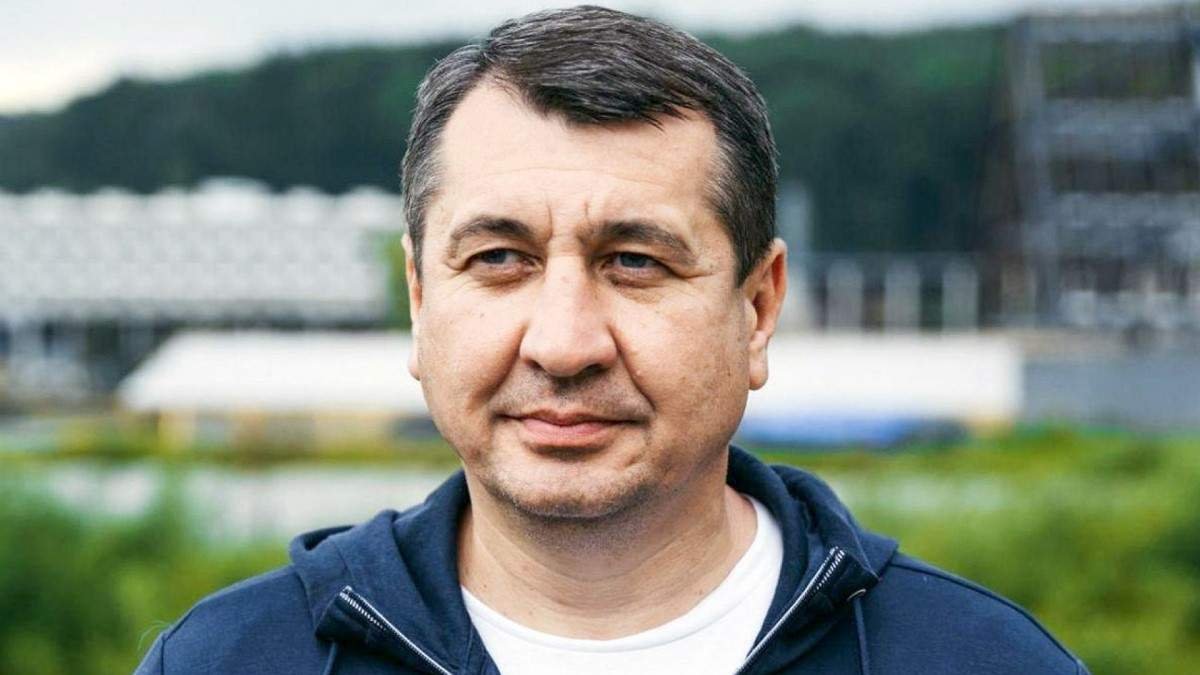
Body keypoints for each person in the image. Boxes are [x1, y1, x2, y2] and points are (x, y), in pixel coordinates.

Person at [135, 6, 1088, 674]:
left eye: (634, 261)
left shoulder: (982, 661)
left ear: (758, 309)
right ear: (421, 301)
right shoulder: (228, 661)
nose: (563, 344)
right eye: (500, 258)